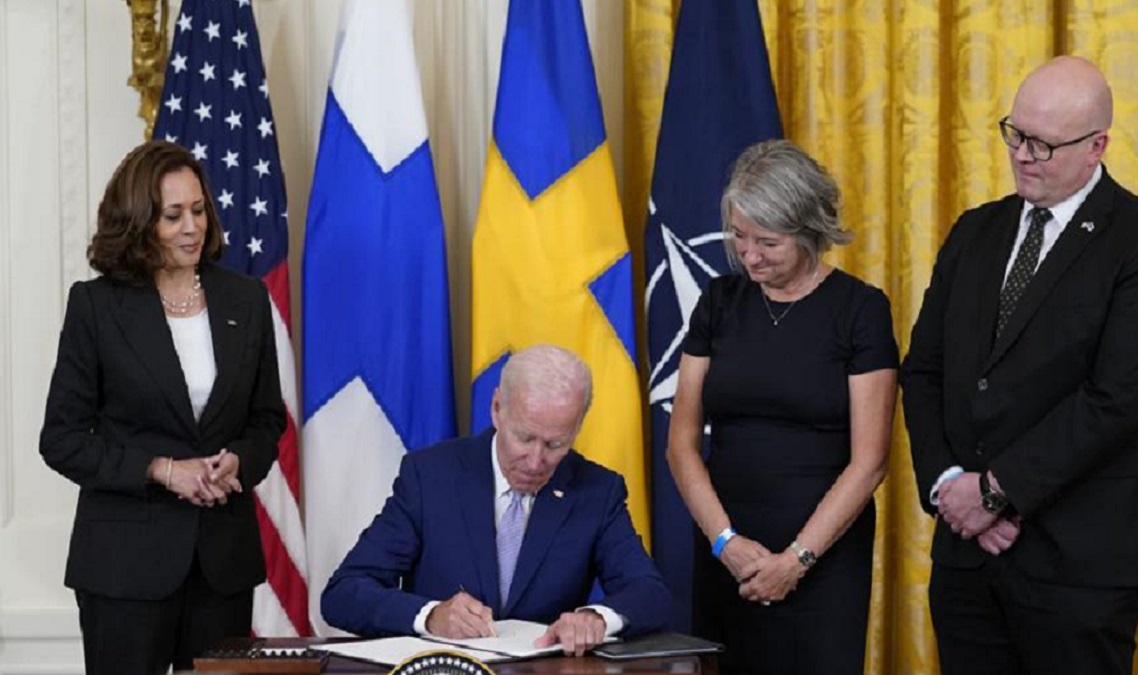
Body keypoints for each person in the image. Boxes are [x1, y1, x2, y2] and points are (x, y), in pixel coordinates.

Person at [902, 56, 1138, 675]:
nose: (1023, 154)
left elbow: (1118, 399)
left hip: (1081, 561)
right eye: (1015, 132)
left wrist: (995, 493)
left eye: (1044, 143)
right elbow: (924, 372)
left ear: (1097, 147)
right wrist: (952, 488)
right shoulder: (975, 231)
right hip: (968, 557)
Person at [39, 140, 286, 675]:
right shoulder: (96, 307)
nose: (191, 227)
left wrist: (239, 461)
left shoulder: (245, 300)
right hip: (124, 567)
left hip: (222, 566)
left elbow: (268, 420)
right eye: (173, 216)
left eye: (198, 210)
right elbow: (61, 439)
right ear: (138, 222)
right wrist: (161, 470)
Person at [667, 139, 898, 675]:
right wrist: (725, 542)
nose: (749, 255)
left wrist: (795, 561)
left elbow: (871, 461)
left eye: (767, 242)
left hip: (821, 559)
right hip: (726, 550)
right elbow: (681, 443)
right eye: (740, 237)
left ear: (809, 230)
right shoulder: (719, 302)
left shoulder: (860, 311)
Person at [321, 344, 670, 656]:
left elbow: (650, 594)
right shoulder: (430, 477)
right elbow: (343, 593)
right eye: (524, 437)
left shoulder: (597, 490)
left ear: (577, 428)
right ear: (497, 408)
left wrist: (596, 618)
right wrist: (430, 616)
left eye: (555, 445)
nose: (535, 462)